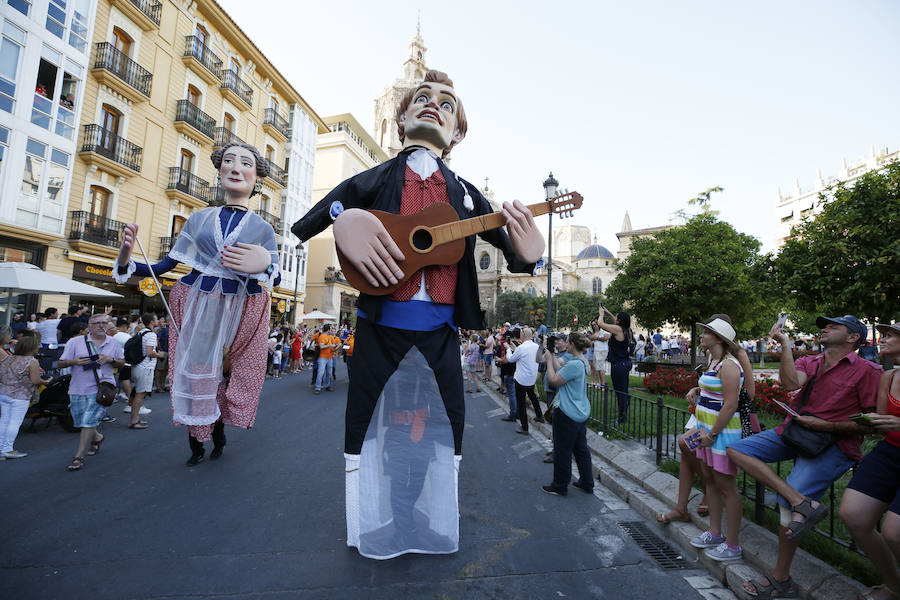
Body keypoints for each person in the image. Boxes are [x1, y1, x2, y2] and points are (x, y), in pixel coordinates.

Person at [291, 69, 542, 559]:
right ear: (401, 117)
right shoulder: (377, 178)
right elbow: (321, 215)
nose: (434, 105)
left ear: (458, 133)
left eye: (447, 104)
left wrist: (528, 253)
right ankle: (367, 520)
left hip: (440, 332)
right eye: (422, 99)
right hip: (379, 325)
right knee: (364, 425)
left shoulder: (465, 194)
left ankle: (426, 515)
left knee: (447, 426)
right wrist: (346, 224)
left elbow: (510, 248)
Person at [114, 143, 279, 466]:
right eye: (228, 161)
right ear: (219, 170)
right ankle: (196, 443)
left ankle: (217, 434)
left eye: (244, 163)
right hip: (197, 303)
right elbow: (163, 268)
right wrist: (125, 258)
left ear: (256, 176)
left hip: (236, 309)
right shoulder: (200, 218)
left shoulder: (262, 228)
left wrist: (263, 264)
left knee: (228, 376)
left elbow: (273, 275)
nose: (235, 167)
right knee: (194, 377)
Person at [727, 314, 882, 598]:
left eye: (835, 326)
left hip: (834, 445)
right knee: (737, 449)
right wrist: (785, 344)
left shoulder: (868, 371)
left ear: (853, 338)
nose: (825, 328)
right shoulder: (809, 361)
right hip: (796, 433)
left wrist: (827, 425)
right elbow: (789, 384)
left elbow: (872, 421)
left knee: (787, 504)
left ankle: (780, 577)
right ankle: (802, 503)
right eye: (826, 325)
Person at [839, 322, 900, 600]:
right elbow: (883, 425)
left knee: (894, 532)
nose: (883, 338)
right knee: (854, 515)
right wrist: (870, 421)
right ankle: (893, 585)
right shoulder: (888, 377)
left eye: (890, 335)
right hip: (890, 452)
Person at [677, 315, 746, 561]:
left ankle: (733, 544)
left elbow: (730, 404)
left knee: (726, 487)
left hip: (720, 434)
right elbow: (712, 389)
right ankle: (715, 533)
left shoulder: (728, 365)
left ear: (718, 338)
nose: (702, 336)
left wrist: (713, 434)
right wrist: (696, 390)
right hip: (705, 431)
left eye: (706, 332)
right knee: (710, 481)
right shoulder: (713, 361)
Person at [57, 313, 124, 471]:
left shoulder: (114, 343)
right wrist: (74, 362)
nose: (101, 325)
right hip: (78, 388)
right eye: (97, 323)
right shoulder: (75, 342)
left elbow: (122, 363)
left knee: (88, 421)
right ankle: (98, 437)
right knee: (81, 421)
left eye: (104, 323)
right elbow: (60, 363)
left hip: (102, 388)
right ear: (89, 326)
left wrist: (111, 360)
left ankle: (78, 457)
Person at [540, 331, 593, 496]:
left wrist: (549, 361)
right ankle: (586, 482)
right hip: (580, 411)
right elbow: (562, 369)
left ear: (573, 345)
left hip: (567, 412)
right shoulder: (582, 362)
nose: (565, 344)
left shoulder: (574, 365)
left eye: (568, 342)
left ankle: (560, 485)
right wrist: (553, 356)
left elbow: (554, 380)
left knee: (562, 450)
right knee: (581, 449)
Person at [0, 330, 51, 459]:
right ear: (32, 348)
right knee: (14, 422)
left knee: (4, 421)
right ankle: (7, 449)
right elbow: (35, 380)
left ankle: (1, 447)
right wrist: (45, 381)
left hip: (4, 393)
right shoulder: (31, 361)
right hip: (20, 396)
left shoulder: (8, 358)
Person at [595, 307, 634, 423]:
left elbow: (600, 324)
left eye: (617, 317)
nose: (615, 319)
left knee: (620, 392)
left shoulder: (618, 330)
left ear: (619, 321)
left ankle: (622, 418)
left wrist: (601, 314)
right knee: (624, 390)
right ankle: (624, 412)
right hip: (625, 363)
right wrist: (609, 312)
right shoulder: (628, 331)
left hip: (618, 364)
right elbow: (615, 323)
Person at [503, 327, 544, 434]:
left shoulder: (521, 348)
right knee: (532, 396)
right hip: (531, 377)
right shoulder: (537, 346)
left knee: (521, 403)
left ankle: (524, 427)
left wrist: (508, 349)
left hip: (521, 379)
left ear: (524, 335)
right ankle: (540, 415)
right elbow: (535, 358)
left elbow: (511, 359)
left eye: (521, 334)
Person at [128, 313, 165, 430]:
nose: (158, 320)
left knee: (137, 393)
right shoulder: (151, 335)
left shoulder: (141, 332)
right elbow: (149, 352)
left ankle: (135, 418)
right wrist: (159, 354)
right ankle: (134, 421)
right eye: (156, 319)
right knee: (140, 394)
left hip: (138, 366)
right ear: (151, 322)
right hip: (145, 368)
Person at [498, 333, 518, 422]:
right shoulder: (518, 347)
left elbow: (507, 360)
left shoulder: (510, 349)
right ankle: (516, 413)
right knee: (515, 395)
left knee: (512, 395)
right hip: (515, 373)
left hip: (509, 373)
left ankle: (513, 414)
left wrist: (500, 360)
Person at [313, 324, 339, 394]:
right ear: (328, 330)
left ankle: (327, 385)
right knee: (320, 373)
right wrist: (330, 345)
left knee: (329, 373)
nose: (331, 331)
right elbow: (321, 346)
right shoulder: (322, 336)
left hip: (329, 357)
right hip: (322, 357)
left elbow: (333, 347)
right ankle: (317, 388)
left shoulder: (330, 337)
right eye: (330, 329)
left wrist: (337, 347)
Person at [588, 319, 610, 387]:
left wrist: (595, 338)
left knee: (600, 367)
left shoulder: (604, 330)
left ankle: (602, 384)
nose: (594, 326)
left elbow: (605, 338)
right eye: (593, 325)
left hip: (602, 350)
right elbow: (592, 341)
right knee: (597, 367)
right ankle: (599, 383)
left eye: (595, 324)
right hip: (596, 350)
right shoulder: (595, 332)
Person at [154, 316, 169, 392]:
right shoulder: (163, 330)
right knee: (159, 369)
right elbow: (157, 339)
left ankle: (162, 385)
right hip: (163, 351)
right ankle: (158, 386)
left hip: (169, 351)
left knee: (165, 370)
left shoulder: (171, 329)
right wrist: (159, 349)